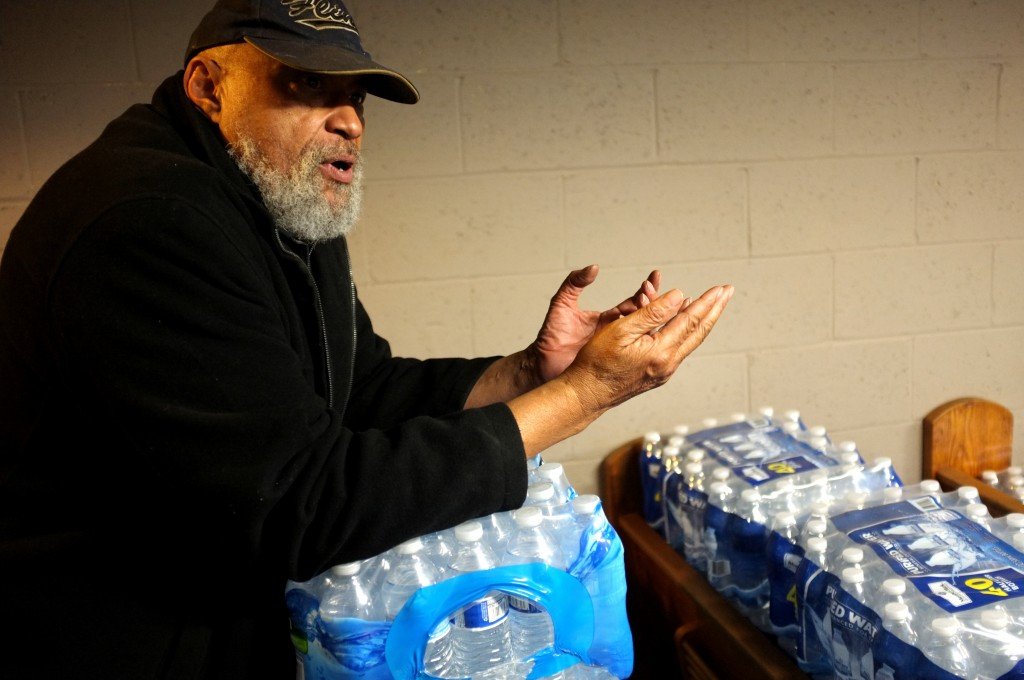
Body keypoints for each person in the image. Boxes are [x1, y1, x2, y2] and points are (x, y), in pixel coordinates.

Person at [0, 0, 732, 677]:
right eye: (306, 85)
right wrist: (589, 392)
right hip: (120, 641)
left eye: (354, 95)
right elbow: (299, 504)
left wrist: (536, 371)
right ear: (207, 85)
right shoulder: (148, 223)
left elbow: (364, 386)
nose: (348, 119)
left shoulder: (279, 202)